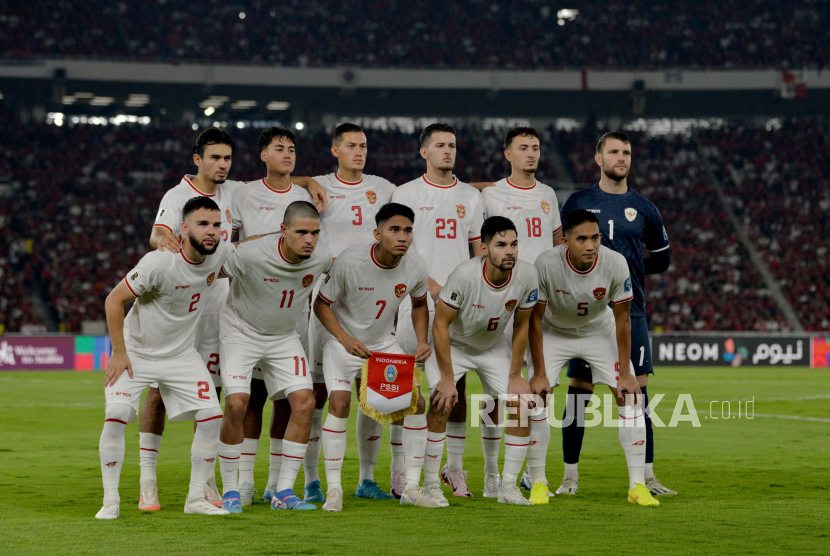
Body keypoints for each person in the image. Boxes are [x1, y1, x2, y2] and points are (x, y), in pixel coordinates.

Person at [138, 128, 328, 511]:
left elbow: (278, 177)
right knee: (158, 391)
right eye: (215, 158)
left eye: (227, 158)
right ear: (198, 159)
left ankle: (206, 482)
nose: (222, 165)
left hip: (224, 305)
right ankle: (148, 481)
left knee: (216, 398)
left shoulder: (236, 192)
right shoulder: (178, 197)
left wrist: (309, 182)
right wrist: (167, 247)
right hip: (185, 306)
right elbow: (158, 235)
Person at [96, 196, 233, 519]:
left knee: (212, 417)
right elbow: (114, 301)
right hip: (137, 352)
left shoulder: (220, 255)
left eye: (216, 225)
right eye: (203, 224)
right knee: (116, 413)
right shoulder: (160, 262)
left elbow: (254, 247)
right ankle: (111, 500)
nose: (211, 231)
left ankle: (195, 498)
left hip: (181, 355)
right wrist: (119, 352)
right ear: (184, 228)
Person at [556, 132, 674, 497]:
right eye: (613, 151)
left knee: (637, 394)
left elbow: (663, 258)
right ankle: (569, 476)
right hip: (586, 315)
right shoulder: (579, 201)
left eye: (626, 152)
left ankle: (648, 476)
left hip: (632, 312)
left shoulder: (645, 208)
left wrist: (627, 271)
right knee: (579, 393)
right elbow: (560, 248)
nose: (621, 157)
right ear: (598, 158)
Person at [528, 209, 659, 506]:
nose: (590, 245)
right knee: (536, 398)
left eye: (595, 237)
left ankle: (637, 486)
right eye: (582, 238)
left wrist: (625, 372)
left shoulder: (615, 263)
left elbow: (623, 319)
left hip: (598, 330)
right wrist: (538, 371)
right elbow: (534, 319)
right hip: (553, 331)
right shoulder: (545, 264)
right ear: (565, 241)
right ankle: (539, 482)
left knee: (631, 396)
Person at [313, 203, 436, 510]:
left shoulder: (416, 266)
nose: (402, 236)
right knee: (339, 404)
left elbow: (420, 304)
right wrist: (345, 339)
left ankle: (410, 488)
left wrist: (422, 340)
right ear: (378, 234)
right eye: (394, 230)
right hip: (343, 344)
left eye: (408, 230)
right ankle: (334, 491)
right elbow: (321, 304)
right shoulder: (350, 261)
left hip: (382, 345)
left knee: (416, 403)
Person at [216, 201, 332, 512]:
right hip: (240, 333)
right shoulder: (252, 254)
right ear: (283, 231)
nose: (309, 239)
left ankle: (283, 492)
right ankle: (230, 491)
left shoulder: (320, 257)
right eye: (301, 232)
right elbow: (207, 268)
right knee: (237, 403)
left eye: (315, 232)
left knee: (305, 403)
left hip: (283, 337)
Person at [304, 122, 398, 502]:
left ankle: (366, 479)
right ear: (335, 150)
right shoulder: (317, 187)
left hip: (371, 302)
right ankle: (313, 480)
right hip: (325, 299)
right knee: (317, 394)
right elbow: (275, 180)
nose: (359, 152)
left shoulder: (383, 189)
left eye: (363, 146)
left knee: (372, 394)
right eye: (351, 146)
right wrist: (307, 179)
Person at [391, 123, 485, 498]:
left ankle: (454, 468)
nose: (448, 151)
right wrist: (431, 287)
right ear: (424, 152)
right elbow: (401, 248)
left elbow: (479, 251)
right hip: (413, 304)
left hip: (457, 306)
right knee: (406, 391)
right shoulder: (407, 193)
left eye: (453, 145)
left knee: (454, 386)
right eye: (440, 145)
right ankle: (403, 473)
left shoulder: (471, 196)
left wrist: (471, 292)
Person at [228, 126, 318, 506]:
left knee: (291, 400)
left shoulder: (303, 196)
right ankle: (243, 483)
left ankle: (278, 485)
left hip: (290, 315)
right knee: (250, 399)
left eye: (292, 148)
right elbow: (228, 246)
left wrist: (308, 181)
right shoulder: (242, 193)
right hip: (249, 307)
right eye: (279, 148)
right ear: (262, 154)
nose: (287, 154)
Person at [426, 216, 542, 506]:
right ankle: (430, 485)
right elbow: (439, 325)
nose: (510, 251)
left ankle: (508, 487)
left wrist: (516, 374)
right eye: (501, 244)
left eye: (514, 244)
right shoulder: (464, 275)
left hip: (492, 347)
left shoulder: (527, 275)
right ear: (484, 248)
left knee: (521, 404)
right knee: (441, 402)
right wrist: (448, 377)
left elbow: (521, 325)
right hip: (455, 345)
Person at [479, 126, 562, 497]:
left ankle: (535, 474)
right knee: (497, 395)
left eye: (536, 147)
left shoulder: (548, 195)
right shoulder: (491, 194)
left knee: (541, 391)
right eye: (523, 147)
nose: (531, 153)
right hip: (501, 302)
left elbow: (557, 244)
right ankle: (491, 472)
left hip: (540, 304)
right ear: (507, 154)